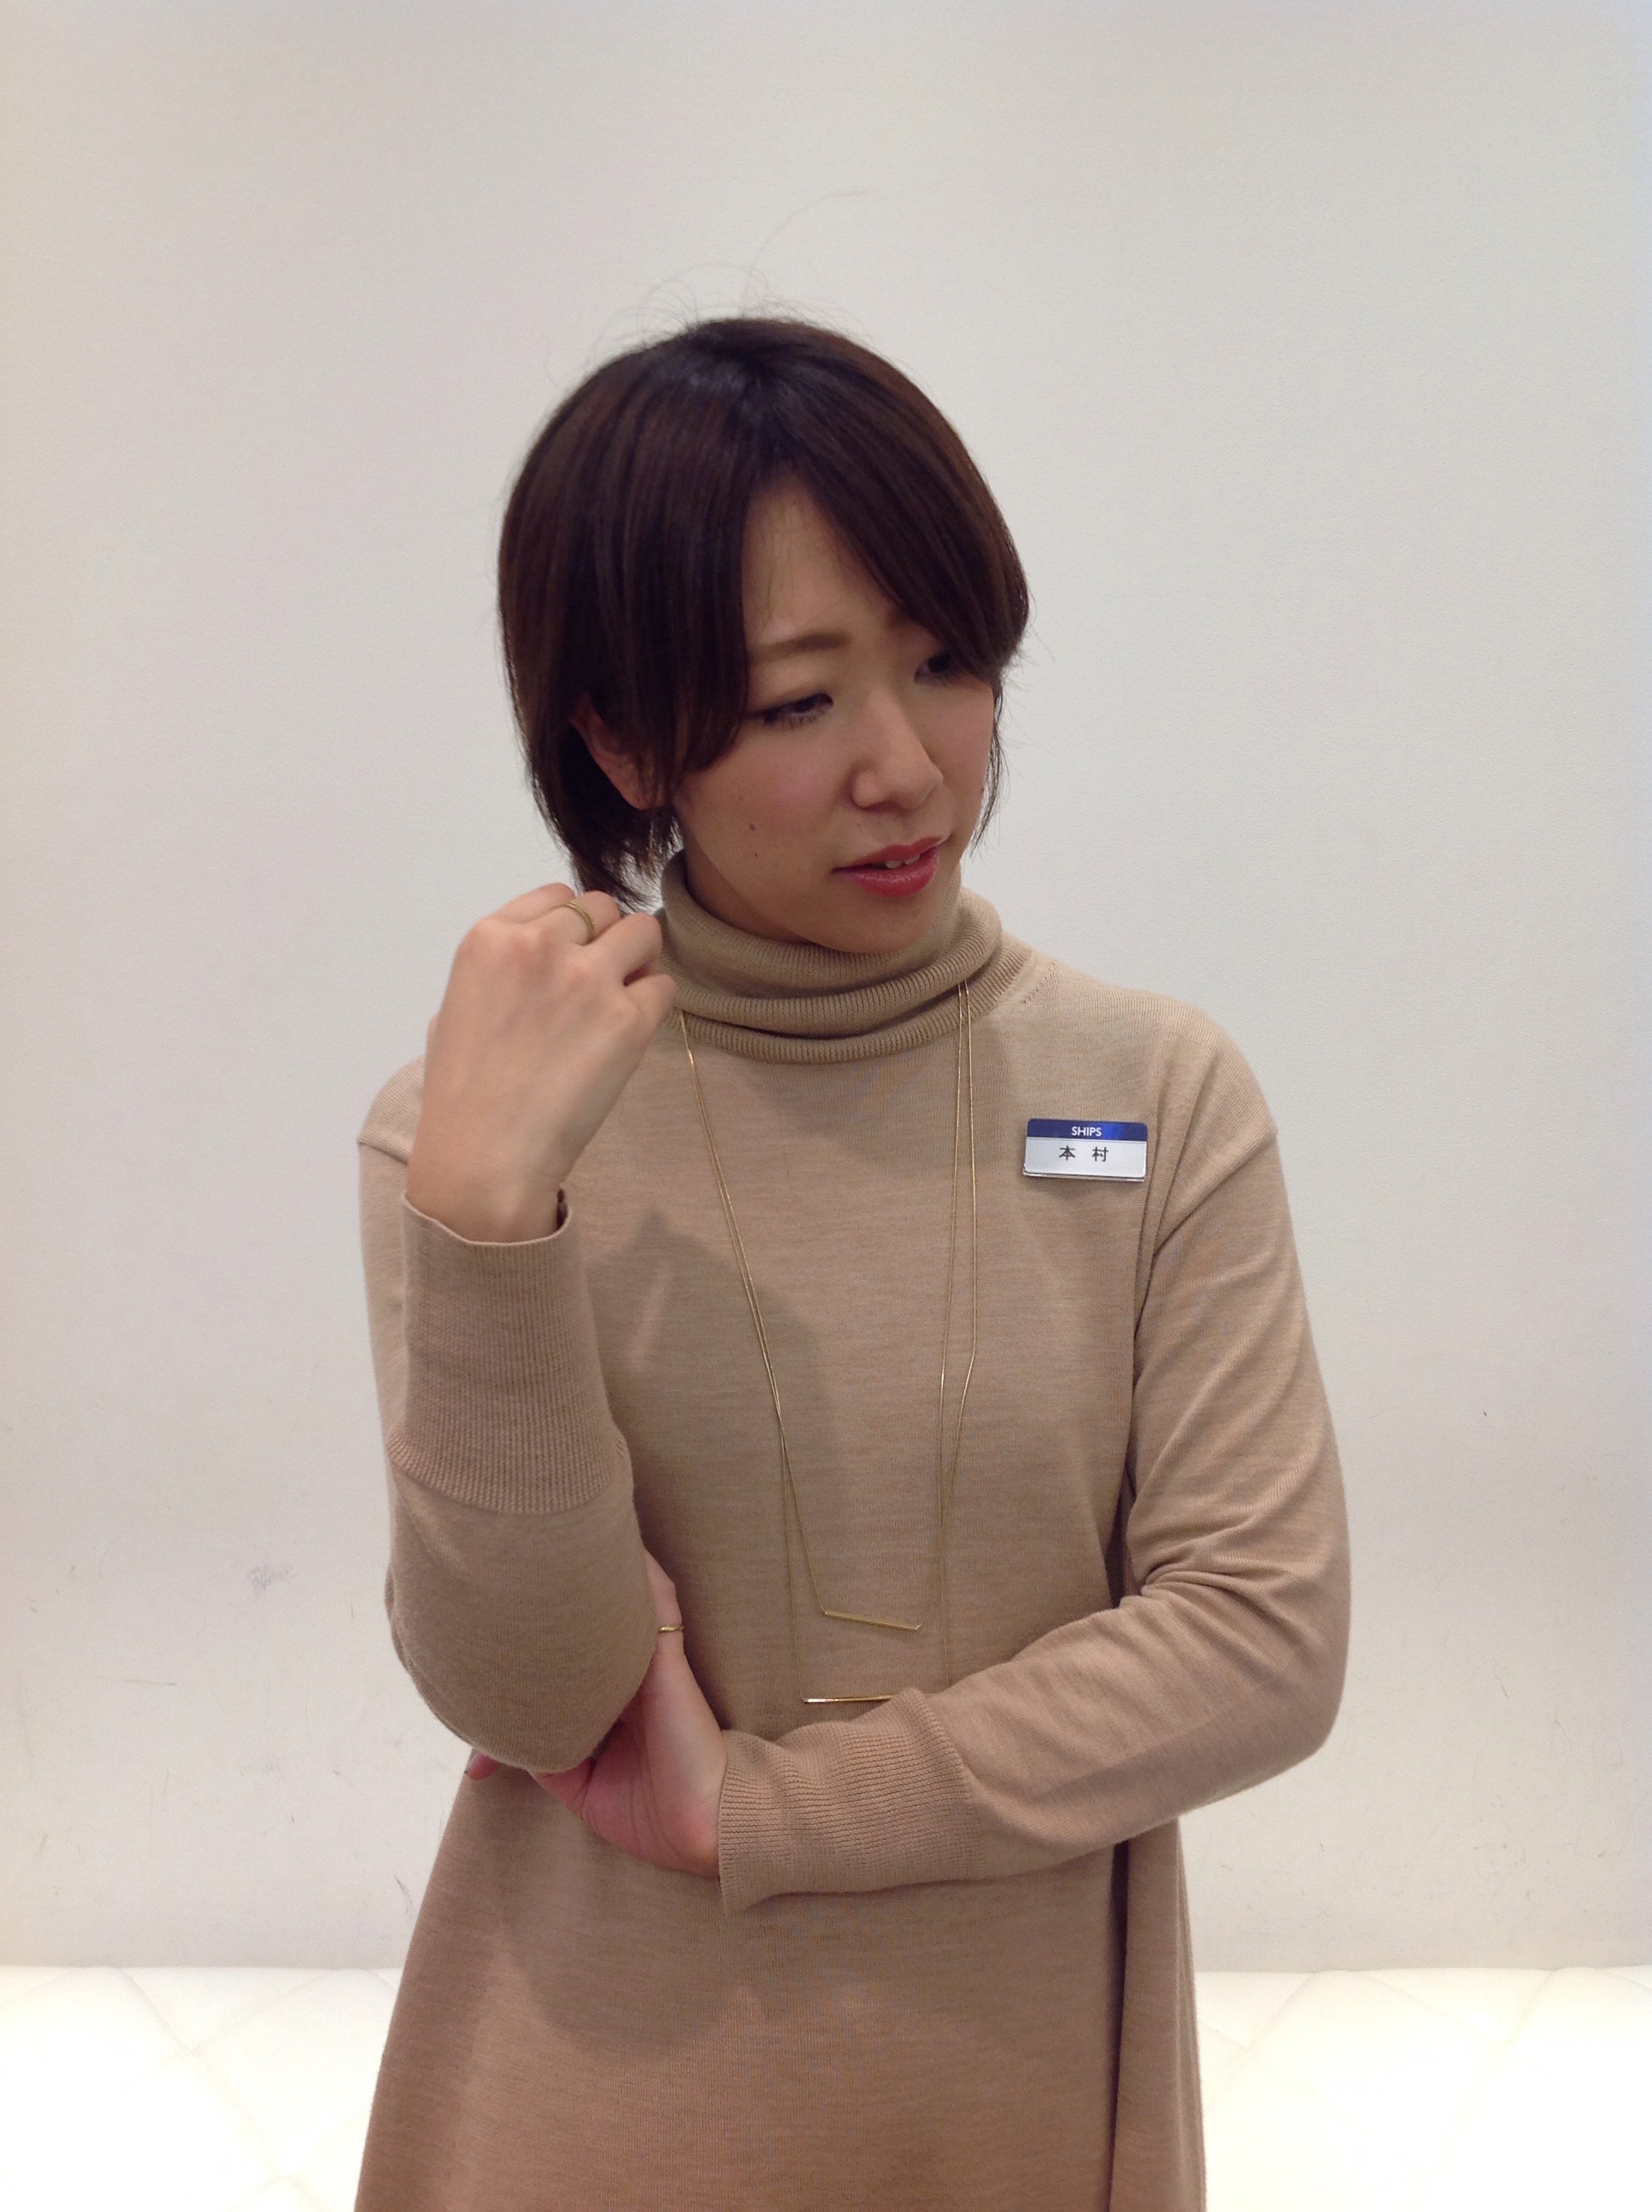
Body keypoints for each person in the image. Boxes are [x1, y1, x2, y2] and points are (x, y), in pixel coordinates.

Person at [352, 315, 1351, 2212]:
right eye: (799, 701)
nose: (909, 767)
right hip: (585, 2108)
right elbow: (530, 1695)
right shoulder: (479, 1126)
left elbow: (1260, 1642)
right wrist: (485, 1218)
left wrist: (767, 1812)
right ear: (623, 737)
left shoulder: (1151, 1092)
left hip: (1016, 2112)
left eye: (947, 663)